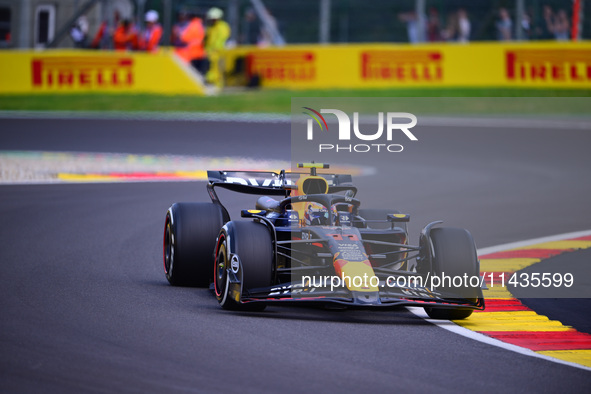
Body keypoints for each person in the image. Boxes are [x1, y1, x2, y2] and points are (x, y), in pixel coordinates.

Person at [204, 7, 231, 86]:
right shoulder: (210, 28)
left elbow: (221, 39)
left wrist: (215, 49)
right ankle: (211, 81)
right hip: (209, 52)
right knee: (211, 68)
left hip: (218, 52)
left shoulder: (223, 26)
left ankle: (217, 83)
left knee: (217, 69)